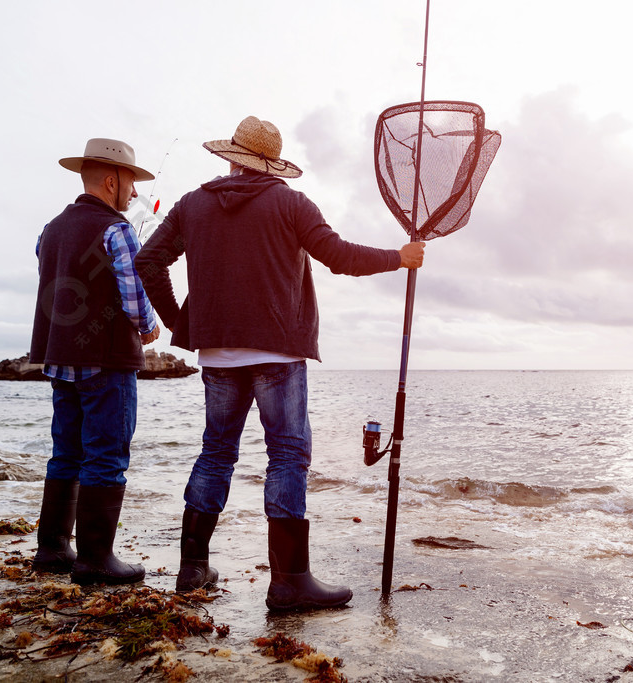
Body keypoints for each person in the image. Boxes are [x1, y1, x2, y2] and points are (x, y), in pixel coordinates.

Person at [135, 115, 425, 610]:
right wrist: (399, 257)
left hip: (219, 354)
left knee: (215, 453)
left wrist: (184, 321)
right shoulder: (291, 203)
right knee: (288, 455)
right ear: (271, 165)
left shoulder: (192, 204)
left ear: (231, 157)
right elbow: (338, 255)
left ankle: (192, 570)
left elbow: (147, 260)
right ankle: (289, 581)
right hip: (279, 352)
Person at [29, 138, 161, 586]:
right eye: (131, 184)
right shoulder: (118, 229)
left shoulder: (50, 228)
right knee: (107, 454)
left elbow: (49, 265)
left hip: (60, 354)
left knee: (66, 451)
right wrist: (147, 326)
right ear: (112, 180)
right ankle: (96, 559)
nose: (134, 195)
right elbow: (132, 288)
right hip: (106, 358)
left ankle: (52, 548)